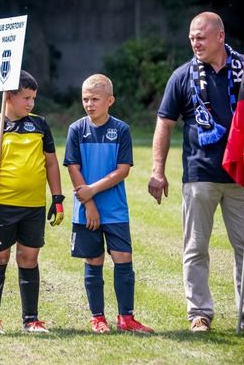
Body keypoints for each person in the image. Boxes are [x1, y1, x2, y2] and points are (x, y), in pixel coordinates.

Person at [148, 11, 244, 332]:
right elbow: (164, 124)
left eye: (201, 37)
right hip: (199, 175)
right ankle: (199, 313)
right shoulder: (182, 75)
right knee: (195, 249)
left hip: (241, 175)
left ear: (220, 36)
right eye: (192, 37)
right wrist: (157, 170)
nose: (195, 43)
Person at [64, 74, 153, 334]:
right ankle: (97, 317)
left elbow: (123, 170)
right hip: (86, 210)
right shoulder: (76, 129)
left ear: (110, 100)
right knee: (94, 260)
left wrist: (92, 190)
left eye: (95, 99)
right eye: (85, 99)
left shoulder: (121, 130)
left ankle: (126, 318)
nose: (89, 104)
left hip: (115, 209)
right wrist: (89, 202)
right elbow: (73, 167)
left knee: (123, 258)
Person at [0, 70, 64, 334]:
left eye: (33, 98)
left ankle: (31, 319)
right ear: (8, 96)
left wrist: (57, 198)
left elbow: (51, 163)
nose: (31, 103)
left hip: (34, 207)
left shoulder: (39, 125)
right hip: (3, 207)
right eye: (26, 97)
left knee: (29, 258)